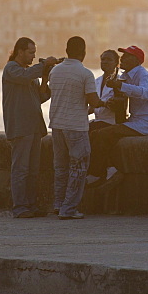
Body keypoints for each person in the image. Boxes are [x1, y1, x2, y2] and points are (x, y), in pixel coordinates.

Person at [86, 45, 148, 190]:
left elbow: (145, 93)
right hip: (136, 121)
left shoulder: (143, 75)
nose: (122, 59)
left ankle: (97, 174)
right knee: (98, 134)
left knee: (104, 134)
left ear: (136, 60)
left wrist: (120, 86)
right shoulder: (125, 76)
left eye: (126, 56)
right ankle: (107, 169)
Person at [2, 37, 59, 218]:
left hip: (34, 126)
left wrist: (44, 78)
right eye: (31, 52)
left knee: (33, 170)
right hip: (20, 127)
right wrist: (44, 65)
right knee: (20, 169)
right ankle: (19, 207)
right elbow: (25, 76)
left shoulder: (29, 73)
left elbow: (41, 97)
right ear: (20, 51)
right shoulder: (11, 69)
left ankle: (31, 205)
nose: (33, 56)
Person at [48, 36, 102, 220]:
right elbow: (93, 100)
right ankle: (69, 209)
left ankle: (58, 204)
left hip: (57, 125)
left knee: (60, 167)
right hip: (76, 127)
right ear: (83, 52)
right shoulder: (85, 74)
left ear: (67, 50)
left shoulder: (55, 71)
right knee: (78, 168)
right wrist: (103, 103)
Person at [90, 49, 127, 131]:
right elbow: (92, 107)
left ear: (116, 64)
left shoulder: (120, 81)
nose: (105, 62)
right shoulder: (97, 81)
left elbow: (120, 106)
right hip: (98, 121)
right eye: (103, 59)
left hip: (112, 123)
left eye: (109, 60)